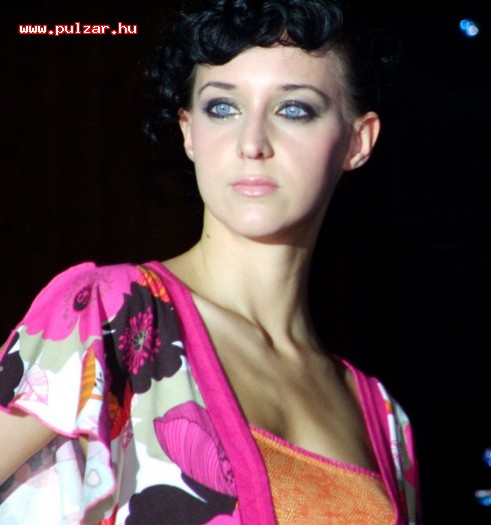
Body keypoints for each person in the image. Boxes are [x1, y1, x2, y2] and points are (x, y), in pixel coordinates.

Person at [0, 0, 420, 523]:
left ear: (358, 141)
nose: (252, 143)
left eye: (293, 109)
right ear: (188, 132)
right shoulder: (111, 315)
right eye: (222, 108)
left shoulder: (383, 417)